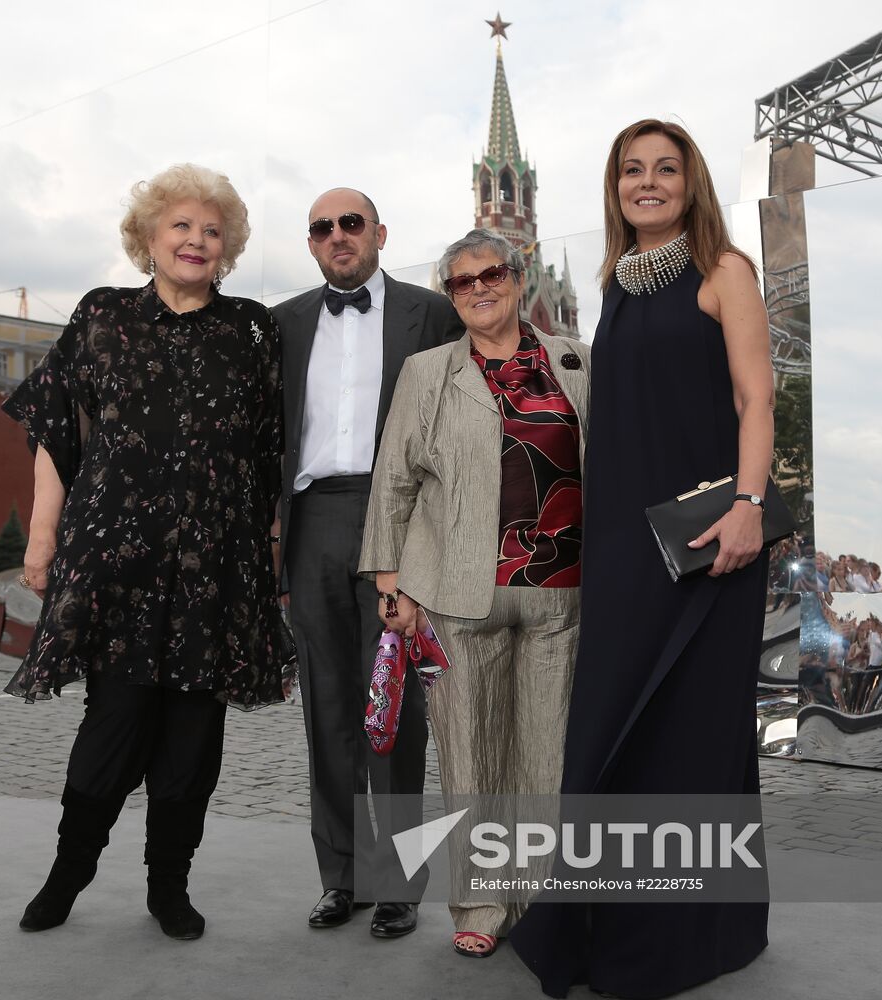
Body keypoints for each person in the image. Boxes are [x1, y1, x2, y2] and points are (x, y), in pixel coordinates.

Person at [511, 119, 774, 998]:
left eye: (666, 169)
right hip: (626, 544)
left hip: (709, 541)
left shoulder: (724, 272)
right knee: (608, 728)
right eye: (632, 170)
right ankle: (598, 921)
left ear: (690, 182)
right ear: (615, 185)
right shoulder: (613, 286)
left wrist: (747, 507)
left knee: (694, 734)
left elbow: (754, 397)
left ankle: (680, 938)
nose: (648, 183)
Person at [1, 163, 288, 941]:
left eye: (212, 230)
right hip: (115, 565)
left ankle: (170, 888)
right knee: (113, 727)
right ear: (148, 238)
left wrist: (266, 562)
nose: (197, 240)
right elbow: (55, 431)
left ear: (226, 248)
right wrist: (40, 538)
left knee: (193, 737)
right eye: (181, 227)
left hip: (215, 570)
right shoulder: (101, 316)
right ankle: (68, 874)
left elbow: (268, 457)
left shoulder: (251, 329)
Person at [359, 229, 590, 957]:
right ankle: (482, 907)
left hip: (561, 593)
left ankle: (539, 905)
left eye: (491, 274)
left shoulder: (576, 362)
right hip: (458, 592)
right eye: (461, 282)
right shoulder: (427, 372)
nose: (479, 288)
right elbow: (393, 479)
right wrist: (389, 580)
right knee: (470, 756)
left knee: (544, 759)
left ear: (518, 279)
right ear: (450, 295)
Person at [271, 188, 464, 938]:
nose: (337, 236)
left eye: (350, 224)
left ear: (379, 232)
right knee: (326, 707)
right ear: (311, 244)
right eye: (321, 228)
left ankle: (398, 884)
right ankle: (339, 878)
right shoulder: (282, 324)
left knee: (394, 708)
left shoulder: (432, 314)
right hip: (314, 519)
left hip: (399, 522)